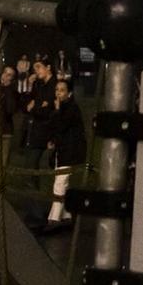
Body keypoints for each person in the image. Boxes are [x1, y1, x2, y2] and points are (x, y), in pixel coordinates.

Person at [41, 78, 85, 229]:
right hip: (62, 151)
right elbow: (53, 127)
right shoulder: (62, 108)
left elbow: (61, 125)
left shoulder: (71, 108)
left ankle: (54, 218)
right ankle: (66, 215)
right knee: (62, 183)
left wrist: (57, 110)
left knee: (59, 184)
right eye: (57, 90)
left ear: (69, 93)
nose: (58, 93)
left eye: (62, 90)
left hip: (70, 152)